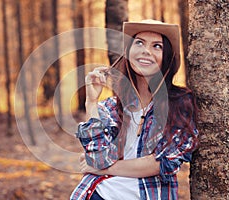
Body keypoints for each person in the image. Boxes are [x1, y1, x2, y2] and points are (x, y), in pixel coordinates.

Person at [70, 19, 199, 200]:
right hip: (97, 194)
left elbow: (160, 163)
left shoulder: (179, 104)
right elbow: (97, 157)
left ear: (167, 57)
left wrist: (104, 168)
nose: (146, 51)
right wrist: (91, 102)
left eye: (157, 46)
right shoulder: (111, 108)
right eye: (139, 43)